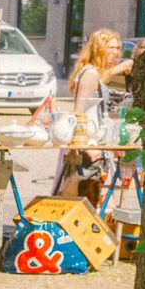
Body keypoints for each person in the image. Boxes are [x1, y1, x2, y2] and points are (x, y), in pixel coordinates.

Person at [56, 29, 129, 204]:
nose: (115, 52)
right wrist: (87, 147)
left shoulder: (95, 73)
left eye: (118, 48)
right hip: (87, 146)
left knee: (92, 196)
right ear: (98, 48)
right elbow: (78, 112)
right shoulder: (90, 73)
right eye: (109, 47)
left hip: (94, 143)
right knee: (84, 197)